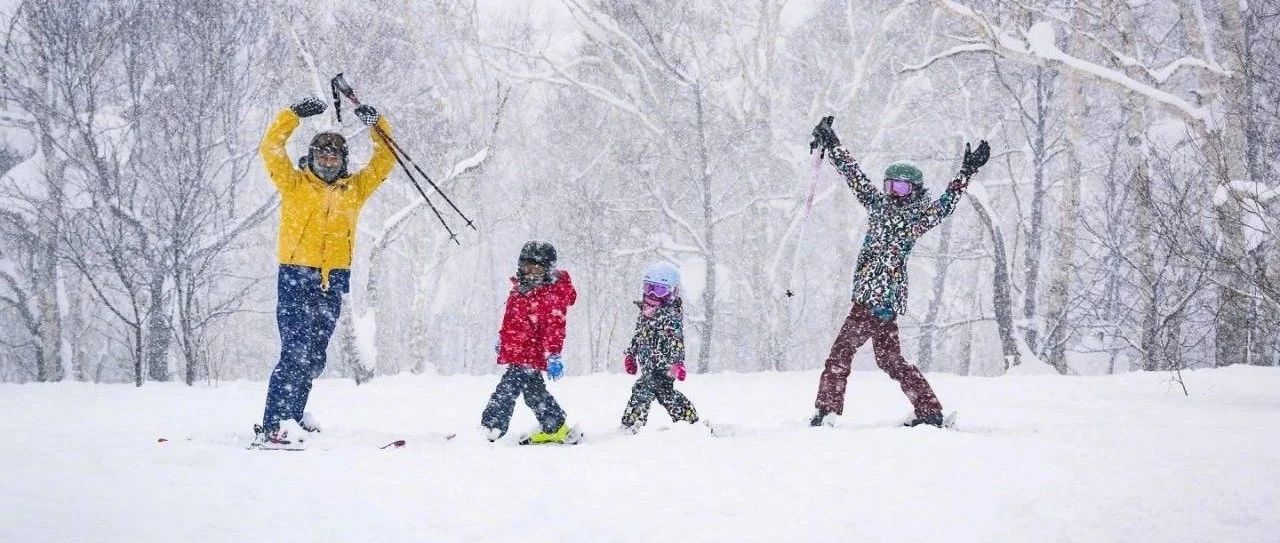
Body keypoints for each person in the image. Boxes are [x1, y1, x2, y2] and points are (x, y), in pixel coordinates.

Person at [807, 115, 989, 428]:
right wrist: (833, 144)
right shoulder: (878, 205)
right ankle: (929, 410)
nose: (894, 191)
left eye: (901, 186)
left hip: (875, 298)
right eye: (890, 184)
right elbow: (855, 177)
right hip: (881, 300)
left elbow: (946, 203)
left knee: (841, 353)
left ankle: (827, 412)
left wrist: (966, 172)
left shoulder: (918, 217)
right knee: (889, 360)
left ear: (914, 190)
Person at [251, 96, 395, 448]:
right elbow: (270, 146)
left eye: (334, 155)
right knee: (295, 352)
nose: (328, 159)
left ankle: (295, 414)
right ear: (312, 157)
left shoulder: (355, 190)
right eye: (322, 154)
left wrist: (377, 124)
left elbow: (386, 158)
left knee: (314, 356)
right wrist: (293, 115)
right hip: (296, 277)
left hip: (333, 280)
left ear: (343, 160)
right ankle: (274, 423)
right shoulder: (294, 183)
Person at [481, 241, 582, 445]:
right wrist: (503, 337)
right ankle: (555, 426)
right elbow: (511, 318)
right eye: (528, 267)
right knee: (533, 392)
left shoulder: (550, 295)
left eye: (538, 268)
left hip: (530, 353)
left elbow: (555, 328)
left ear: (548, 269)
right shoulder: (520, 289)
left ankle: (491, 427)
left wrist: (554, 354)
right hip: (519, 350)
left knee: (507, 388)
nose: (532, 273)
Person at [619, 263, 699, 434]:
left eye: (659, 290)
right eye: (649, 288)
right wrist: (631, 354)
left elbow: (677, 340)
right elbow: (638, 335)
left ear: (671, 293)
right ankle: (690, 420)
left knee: (643, 388)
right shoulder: (645, 312)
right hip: (648, 364)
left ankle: (632, 424)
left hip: (664, 365)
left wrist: (677, 363)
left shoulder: (670, 317)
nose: (652, 294)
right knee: (666, 395)